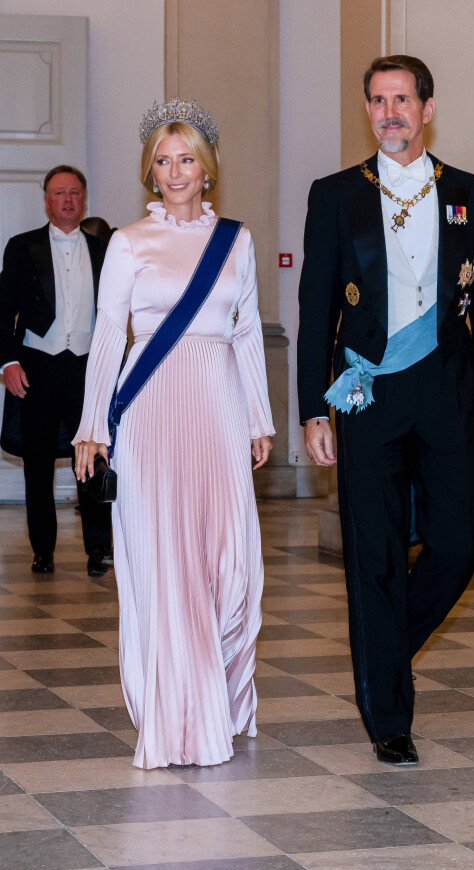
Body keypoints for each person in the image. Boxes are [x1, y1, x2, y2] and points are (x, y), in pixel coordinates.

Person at [297, 56, 474, 766]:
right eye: (376, 100)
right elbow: (314, 312)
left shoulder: (470, 194)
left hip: (449, 394)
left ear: (427, 107)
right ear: (367, 110)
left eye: (401, 99)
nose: (388, 111)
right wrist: (312, 409)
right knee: (375, 552)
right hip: (367, 394)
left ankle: (383, 651)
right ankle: (389, 713)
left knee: (460, 539)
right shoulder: (335, 196)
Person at [73, 97, 274, 769]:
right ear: (149, 172)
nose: (175, 171)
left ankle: (223, 695)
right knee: (166, 562)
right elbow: (107, 334)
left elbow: (246, 331)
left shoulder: (238, 242)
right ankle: (179, 717)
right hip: (152, 410)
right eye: (162, 161)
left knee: (229, 559)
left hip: (217, 401)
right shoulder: (130, 242)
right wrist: (91, 423)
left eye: (186, 158)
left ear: (206, 167)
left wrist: (259, 418)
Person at [0, 166, 113, 577]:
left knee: (95, 457)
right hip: (37, 368)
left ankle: (99, 548)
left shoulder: (105, 251)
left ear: (84, 199)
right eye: (58, 193)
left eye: (74, 193)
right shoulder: (21, 246)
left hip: (87, 369)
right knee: (37, 463)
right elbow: (3, 309)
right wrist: (7, 362)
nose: (67, 200)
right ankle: (43, 549)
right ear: (46, 199)